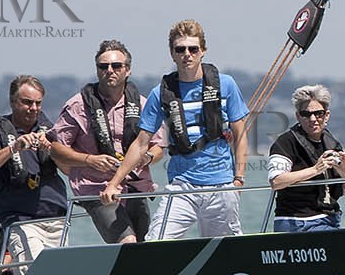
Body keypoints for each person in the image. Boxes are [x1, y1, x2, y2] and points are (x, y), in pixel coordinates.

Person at [101, 20, 250, 238]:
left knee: (225, 253)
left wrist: (239, 179)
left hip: (221, 186)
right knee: (157, 242)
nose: (187, 54)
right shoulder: (160, 93)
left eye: (193, 49)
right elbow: (141, 143)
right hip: (182, 186)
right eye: (180, 49)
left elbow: (240, 134)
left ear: (203, 52)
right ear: (172, 54)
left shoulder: (225, 85)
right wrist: (114, 183)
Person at [50, 39, 165, 244]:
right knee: (127, 241)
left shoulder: (141, 103)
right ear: (97, 70)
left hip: (133, 188)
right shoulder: (78, 106)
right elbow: (56, 149)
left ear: (127, 70)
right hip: (98, 190)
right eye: (103, 66)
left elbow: (158, 148)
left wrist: (146, 157)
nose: (109, 70)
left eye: (116, 66)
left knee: (143, 246)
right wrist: (89, 160)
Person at [0, 75, 71, 266]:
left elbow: (69, 170)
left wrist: (53, 150)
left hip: (57, 220)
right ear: (13, 102)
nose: (33, 108)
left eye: (38, 103)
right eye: (27, 102)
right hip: (21, 220)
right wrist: (13, 148)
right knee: (36, 272)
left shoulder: (50, 130)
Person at [267, 84, 345, 232]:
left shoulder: (332, 143)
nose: (313, 119)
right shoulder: (285, 143)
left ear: (327, 115)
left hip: (330, 219)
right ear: (298, 116)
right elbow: (276, 181)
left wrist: (344, 173)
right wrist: (315, 169)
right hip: (297, 222)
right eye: (306, 114)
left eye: (318, 113)